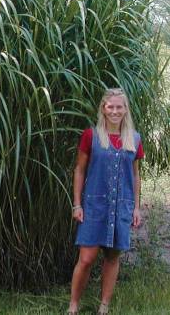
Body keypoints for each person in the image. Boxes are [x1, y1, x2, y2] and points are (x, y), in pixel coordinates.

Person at [67, 88, 144, 315]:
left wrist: (136, 207)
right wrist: (77, 204)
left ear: (125, 109)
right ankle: (73, 304)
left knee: (112, 256)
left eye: (119, 107)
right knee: (87, 258)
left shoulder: (135, 138)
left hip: (122, 206)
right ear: (103, 108)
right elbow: (79, 170)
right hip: (94, 206)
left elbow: (136, 174)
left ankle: (104, 306)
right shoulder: (91, 135)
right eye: (110, 106)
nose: (115, 111)